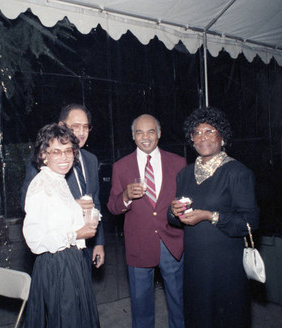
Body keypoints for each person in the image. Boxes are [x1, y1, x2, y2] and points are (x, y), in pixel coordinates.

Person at [168, 106, 259, 328]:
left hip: (225, 267)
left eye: (209, 131)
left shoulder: (237, 172)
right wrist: (173, 212)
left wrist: (210, 216)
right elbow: (173, 220)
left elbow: (250, 222)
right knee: (198, 318)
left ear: (223, 137)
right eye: (197, 132)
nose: (202, 137)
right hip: (195, 266)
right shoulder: (185, 174)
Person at [108, 114, 187, 328]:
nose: (145, 137)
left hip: (172, 242)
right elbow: (113, 207)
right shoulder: (121, 167)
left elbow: (187, 201)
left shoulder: (179, 163)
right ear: (133, 137)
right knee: (141, 307)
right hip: (139, 244)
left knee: (179, 303)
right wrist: (125, 196)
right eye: (139, 132)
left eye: (150, 131)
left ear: (159, 134)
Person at [23, 123, 100, 327]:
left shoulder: (58, 180)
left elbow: (56, 218)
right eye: (56, 152)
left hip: (71, 262)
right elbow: (35, 241)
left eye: (68, 151)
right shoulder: (40, 185)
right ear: (44, 155)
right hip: (55, 267)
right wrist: (76, 233)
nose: (64, 157)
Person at [21, 103, 105, 269]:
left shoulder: (91, 159)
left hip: (87, 243)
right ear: (61, 126)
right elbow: (27, 202)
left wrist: (99, 242)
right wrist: (73, 207)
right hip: (57, 250)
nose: (81, 133)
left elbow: (96, 201)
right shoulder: (46, 160)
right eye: (75, 126)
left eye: (85, 127)